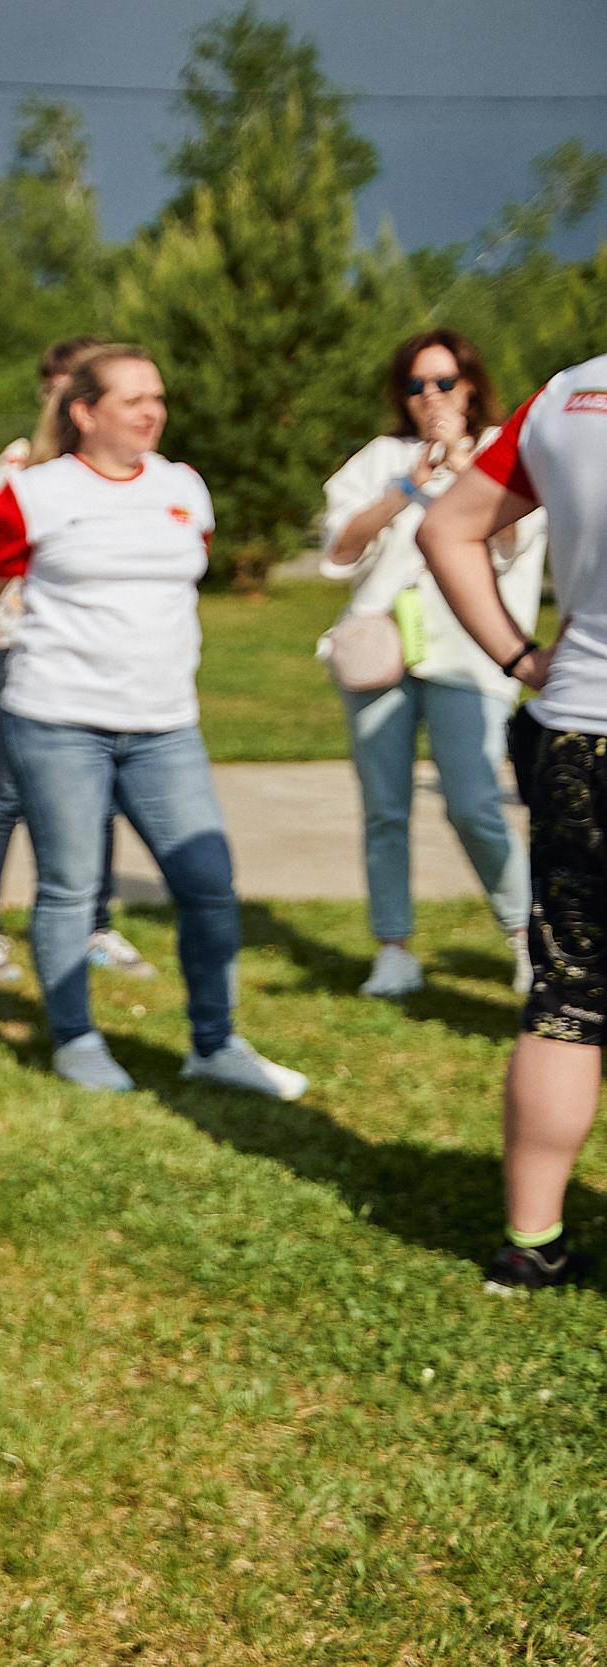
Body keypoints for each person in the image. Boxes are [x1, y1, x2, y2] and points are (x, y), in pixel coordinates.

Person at [0, 344, 307, 1099]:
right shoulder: (36, 491)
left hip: (165, 725)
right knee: (69, 887)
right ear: (85, 412)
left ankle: (215, 1044)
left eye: (158, 397)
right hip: (59, 718)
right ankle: (76, 1040)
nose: (153, 411)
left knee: (209, 885)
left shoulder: (184, 486)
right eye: (133, 399)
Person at [418, 351, 607, 1290]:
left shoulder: (569, 395)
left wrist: (521, 657)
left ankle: (530, 1245)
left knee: (569, 993)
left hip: (580, 729)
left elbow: (446, 529)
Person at [321, 329, 543, 1000]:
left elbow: (510, 542)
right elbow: (338, 551)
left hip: (473, 654)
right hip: (382, 653)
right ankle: (393, 949)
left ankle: (530, 938)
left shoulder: (507, 449)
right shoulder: (382, 456)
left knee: (474, 803)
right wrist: (403, 489)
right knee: (384, 809)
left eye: (444, 382)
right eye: (416, 385)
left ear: (470, 385)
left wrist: (467, 465)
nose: (431, 397)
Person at [0, 337, 154, 987]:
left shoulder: (135, 471)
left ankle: (95, 923)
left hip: (94, 654)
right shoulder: (24, 463)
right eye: (55, 385)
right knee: (3, 795)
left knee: (101, 795)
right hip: (16, 647)